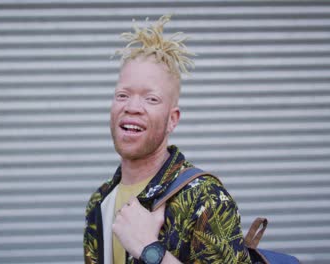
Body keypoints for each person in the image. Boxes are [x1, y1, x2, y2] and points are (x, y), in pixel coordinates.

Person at [83, 15, 252, 264]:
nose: (132, 107)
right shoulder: (100, 201)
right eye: (122, 95)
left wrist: (150, 249)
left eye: (151, 99)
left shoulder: (205, 199)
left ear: (173, 119)